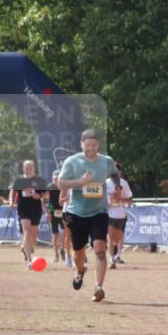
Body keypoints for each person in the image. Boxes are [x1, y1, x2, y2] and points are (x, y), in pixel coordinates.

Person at [56, 129, 116, 303]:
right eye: (87, 145)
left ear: (98, 145)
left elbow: (114, 173)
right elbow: (60, 182)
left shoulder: (106, 161)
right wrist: (80, 182)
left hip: (99, 211)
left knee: (99, 249)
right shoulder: (72, 162)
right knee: (78, 254)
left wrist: (117, 184)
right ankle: (80, 271)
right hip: (77, 213)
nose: (91, 148)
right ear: (81, 144)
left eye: (94, 145)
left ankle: (98, 287)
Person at [11, 160, 47, 268]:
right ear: (23, 168)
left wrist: (39, 196)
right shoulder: (19, 180)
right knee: (26, 231)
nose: (28, 169)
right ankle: (29, 261)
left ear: (34, 168)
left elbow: (46, 194)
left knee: (34, 232)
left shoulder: (40, 180)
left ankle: (25, 247)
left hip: (35, 209)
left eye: (30, 167)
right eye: (26, 167)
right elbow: (13, 191)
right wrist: (11, 201)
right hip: (23, 208)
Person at [106, 166, 133, 269]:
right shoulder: (105, 184)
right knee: (110, 237)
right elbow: (100, 200)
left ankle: (117, 256)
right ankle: (111, 260)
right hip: (109, 215)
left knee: (118, 239)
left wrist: (120, 198)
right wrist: (108, 202)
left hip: (121, 215)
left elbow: (129, 200)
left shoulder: (124, 183)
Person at [47, 170, 66, 263]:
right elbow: (47, 201)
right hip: (53, 212)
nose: (56, 179)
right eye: (55, 178)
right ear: (52, 178)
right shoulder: (49, 187)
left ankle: (63, 249)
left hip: (64, 211)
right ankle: (56, 255)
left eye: (58, 178)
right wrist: (49, 212)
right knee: (55, 234)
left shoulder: (64, 187)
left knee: (64, 232)